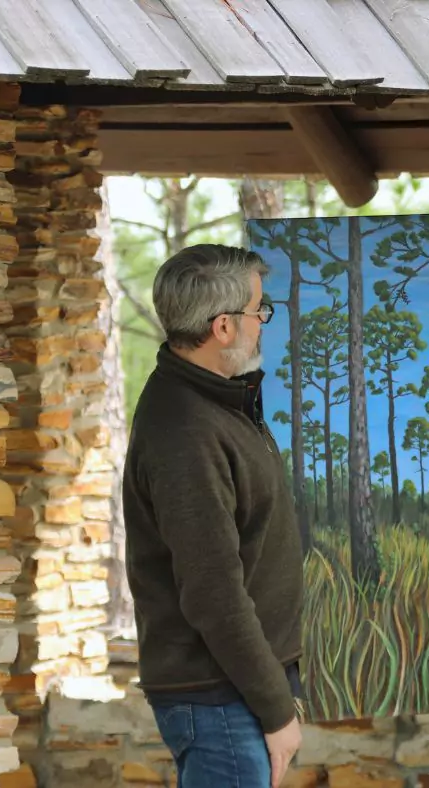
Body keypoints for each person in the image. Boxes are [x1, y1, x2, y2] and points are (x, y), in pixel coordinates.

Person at [122, 244, 304, 788]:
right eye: (259, 311)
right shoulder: (186, 430)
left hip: (235, 691)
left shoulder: (218, 400)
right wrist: (275, 709)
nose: (264, 323)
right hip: (221, 698)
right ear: (223, 327)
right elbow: (212, 591)